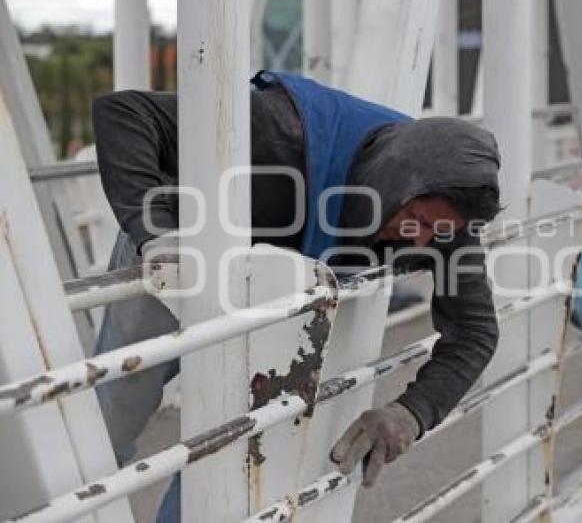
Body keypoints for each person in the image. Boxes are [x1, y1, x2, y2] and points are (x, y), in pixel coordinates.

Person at [92, 70, 501, 521]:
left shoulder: (443, 215)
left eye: (436, 232)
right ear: (398, 178)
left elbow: (475, 330)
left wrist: (413, 412)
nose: (421, 242)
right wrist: (159, 236)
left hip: (277, 292)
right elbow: (124, 112)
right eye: (417, 221)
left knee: (240, 441)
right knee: (113, 416)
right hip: (181, 253)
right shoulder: (275, 130)